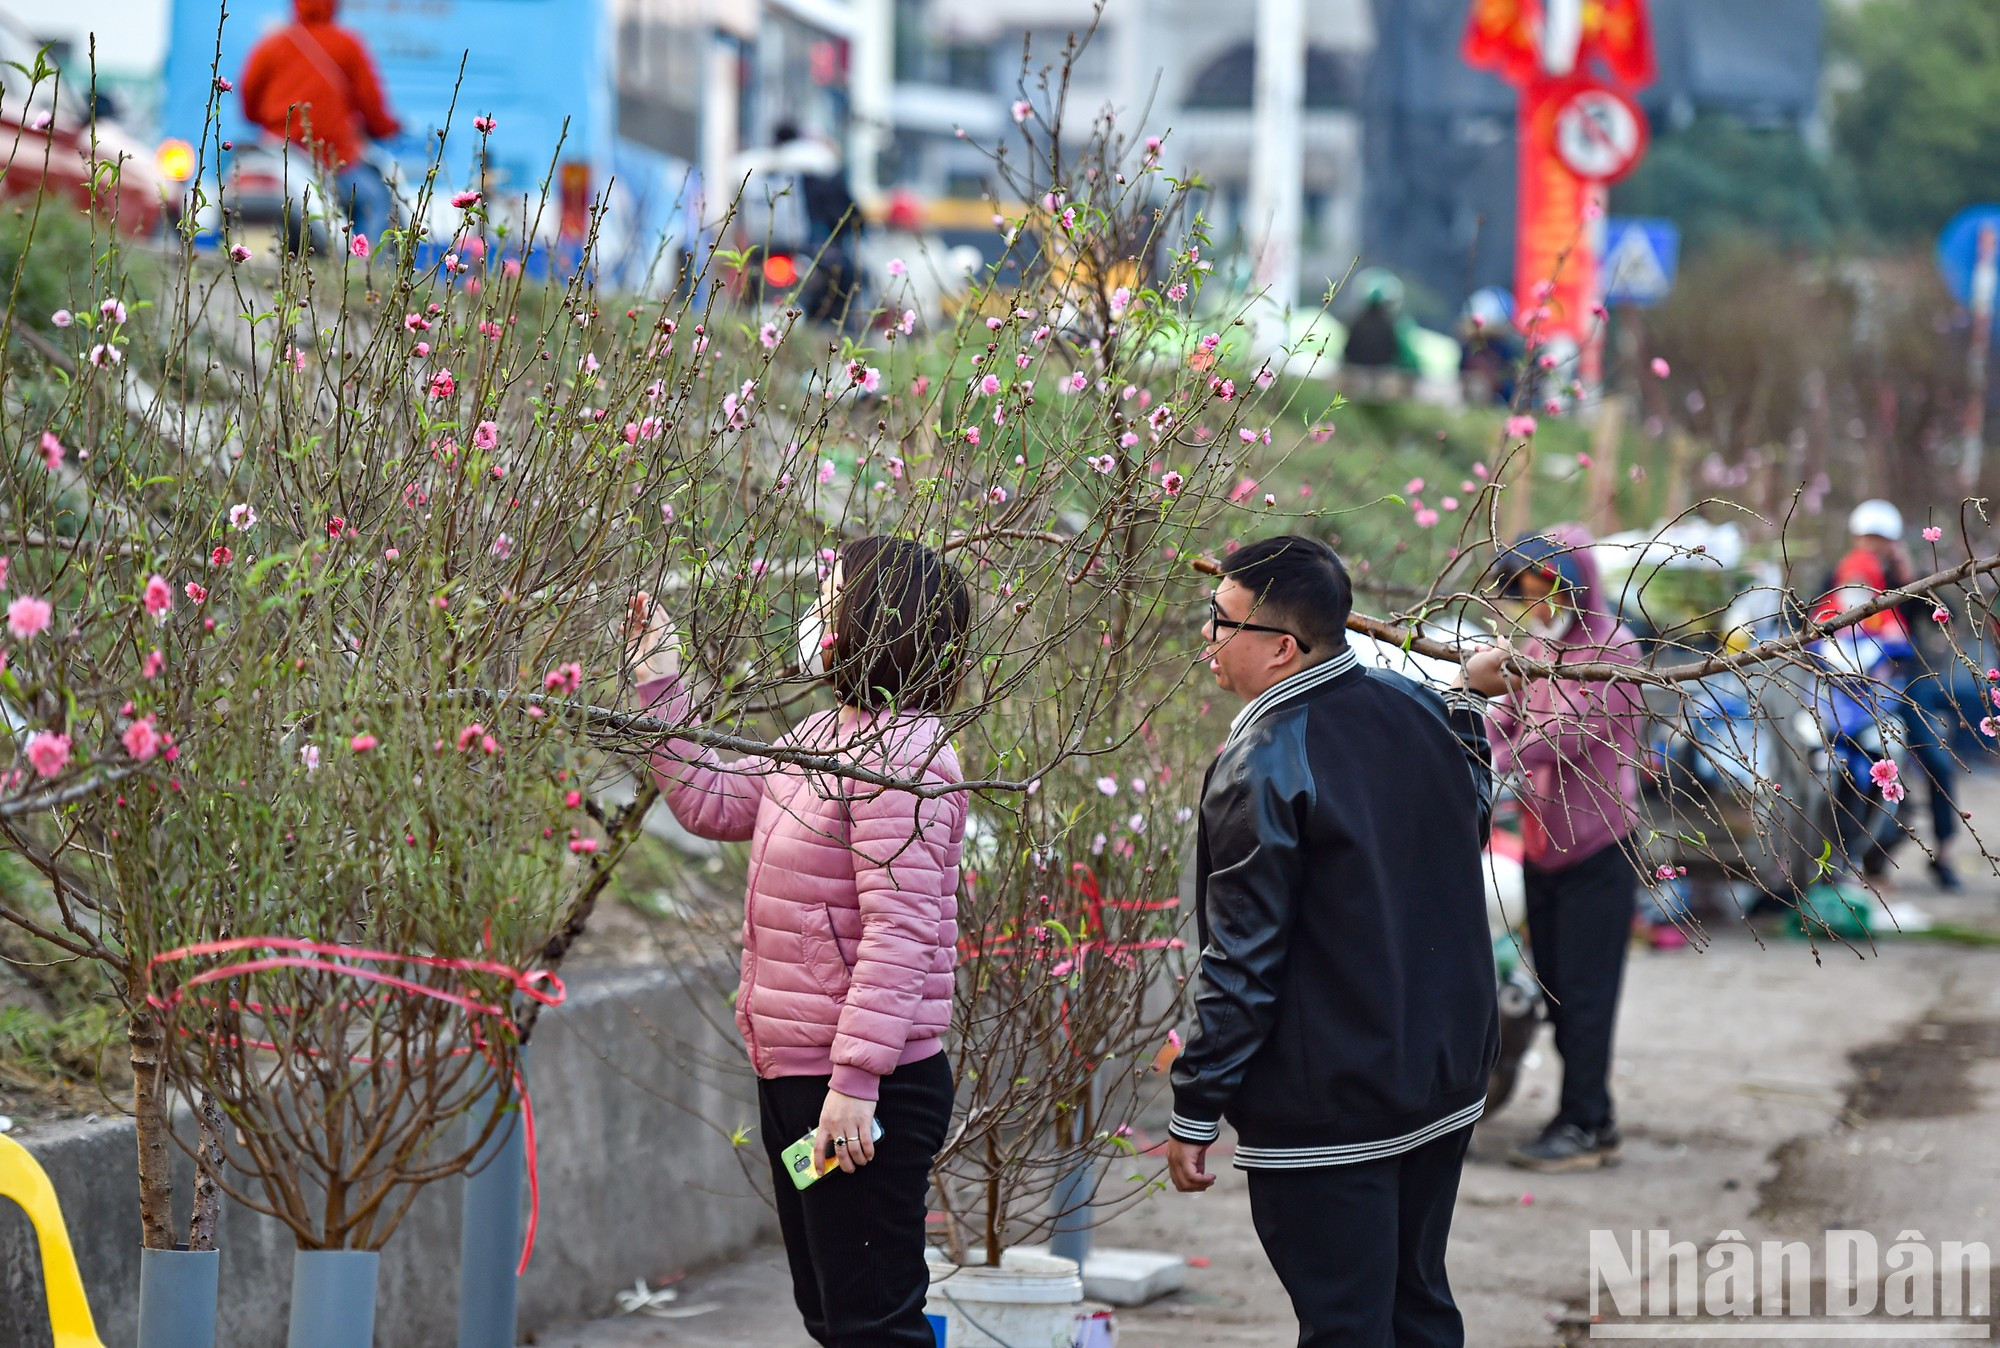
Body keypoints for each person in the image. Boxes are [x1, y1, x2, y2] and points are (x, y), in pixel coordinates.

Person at [626, 537, 969, 1347]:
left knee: (872, 1323)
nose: (810, 612)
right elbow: (711, 801)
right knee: (832, 1313)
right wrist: (658, 680)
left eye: (826, 594)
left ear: (876, 618)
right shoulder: (821, 734)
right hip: (799, 1069)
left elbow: (901, 933)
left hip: (860, 1089)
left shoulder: (906, 761)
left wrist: (854, 1082)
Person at [1166, 535, 1499, 1347]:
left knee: (1345, 1323)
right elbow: (1471, 812)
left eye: (1222, 621)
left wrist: (1195, 1104)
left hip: (1335, 1099)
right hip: (1441, 1072)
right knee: (1417, 1305)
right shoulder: (1420, 706)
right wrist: (1467, 696)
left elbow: (1243, 958)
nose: (1206, 637)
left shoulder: (1262, 763)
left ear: (1282, 647)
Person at [1460, 527, 1646, 1174]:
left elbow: (1562, 734)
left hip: (1597, 849)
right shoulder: (1540, 644)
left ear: (1575, 585)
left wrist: (1493, 756)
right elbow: (1506, 716)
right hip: (1544, 846)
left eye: (1545, 587)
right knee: (1559, 992)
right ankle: (1588, 1117)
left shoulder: (1613, 652)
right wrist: (1468, 723)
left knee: (1586, 996)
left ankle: (1588, 1123)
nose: (1536, 602)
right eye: (1528, 590)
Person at [1815, 500, 1964, 890]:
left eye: (1882, 539)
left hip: (1902, 689)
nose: (1874, 545)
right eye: (1869, 538)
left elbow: (1946, 616)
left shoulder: (1905, 581)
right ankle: (1840, 857)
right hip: (1848, 693)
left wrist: (1910, 579)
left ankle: (1943, 853)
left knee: (1936, 759)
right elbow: (1810, 623)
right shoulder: (1839, 576)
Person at [238, 0, 401, 242]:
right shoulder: (348, 45)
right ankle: (367, 274)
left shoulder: (270, 46)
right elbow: (372, 106)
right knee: (377, 201)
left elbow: (249, 107)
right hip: (333, 157)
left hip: (277, 152)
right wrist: (388, 128)